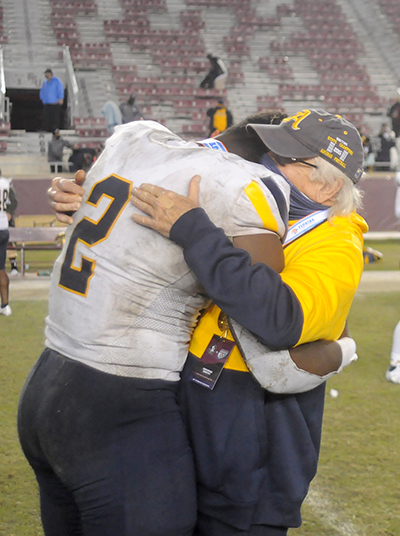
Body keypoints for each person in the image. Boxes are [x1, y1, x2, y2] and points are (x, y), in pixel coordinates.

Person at [46, 110, 365, 535]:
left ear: (327, 185)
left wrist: (195, 231)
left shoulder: (336, 242)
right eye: (271, 150)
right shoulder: (250, 210)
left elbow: (279, 319)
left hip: (250, 464)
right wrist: (92, 202)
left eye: (285, 158)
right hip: (191, 429)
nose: (266, 162)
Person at [0, 171, 13, 316]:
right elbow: (12, 202)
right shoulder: (5, 182)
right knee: (1, 269)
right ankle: (5, 305)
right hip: (3, 227)